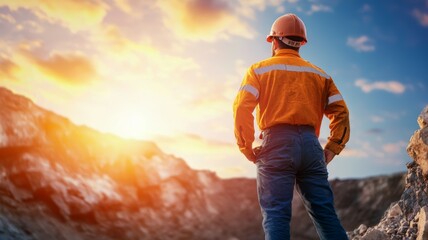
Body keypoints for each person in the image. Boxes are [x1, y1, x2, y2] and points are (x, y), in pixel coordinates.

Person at [233, 13, 350, 240]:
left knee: (276, 215)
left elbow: (241, 109)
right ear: (300, 44)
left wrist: (246, 146)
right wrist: (333, 146)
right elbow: (341, 112)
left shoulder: (258, 70)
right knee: (325, 214)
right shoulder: (320, 75)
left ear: (274, 40)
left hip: (276, 144)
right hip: (310, 146)